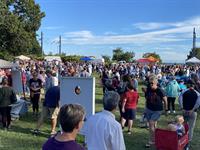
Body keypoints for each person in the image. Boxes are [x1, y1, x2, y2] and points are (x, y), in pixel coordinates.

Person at [144, 75, 167, 148]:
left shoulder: (160, 90)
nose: (150, 85)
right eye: (150, 83)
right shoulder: (148, 89)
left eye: (152, 83)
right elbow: (147, 98)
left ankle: (151, 141)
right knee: (152, 126)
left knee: (151, 123)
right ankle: (156, 137)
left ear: (156, 83)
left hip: (157, 110)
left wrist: (166, 109)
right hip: (149, 109)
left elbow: (165, 100)